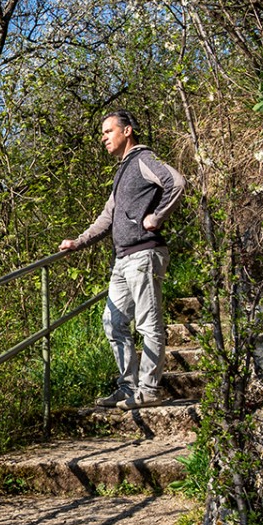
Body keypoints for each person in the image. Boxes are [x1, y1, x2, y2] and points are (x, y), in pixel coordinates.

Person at [58, 110, 186, 409]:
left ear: (127, 131)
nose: (103, 138)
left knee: (147, 324)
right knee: (113, 322)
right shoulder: (122, 171)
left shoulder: (143, 160)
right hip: (122, 259)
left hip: (144, 253)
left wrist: (157, 216)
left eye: (107, 131)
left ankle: (149, 389)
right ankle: (128, 388)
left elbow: (176, 182)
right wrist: (78, 242)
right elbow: (107, 217)